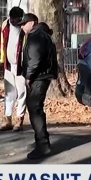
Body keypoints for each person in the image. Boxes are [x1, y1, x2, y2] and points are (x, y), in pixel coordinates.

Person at [20, 13, 58, 160]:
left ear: (32, 23)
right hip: (42, 75)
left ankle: (43, 145)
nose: (22, 27)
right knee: (35, 108)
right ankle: (42, 143)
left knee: (34, 108)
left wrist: (29, 76)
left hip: (39, 77)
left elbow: (35, 58)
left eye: (24, 23)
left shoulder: (36, 35)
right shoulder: (41, 34)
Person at [0, 6, 27, 132]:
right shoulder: (5, 26)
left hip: (21, 65)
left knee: (22, 93)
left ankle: (19, 118)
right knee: (9, 93)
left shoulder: (25, 28)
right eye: (13, 20)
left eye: (17, 20)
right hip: (8, 65)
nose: (15, 22)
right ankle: (7, 118)